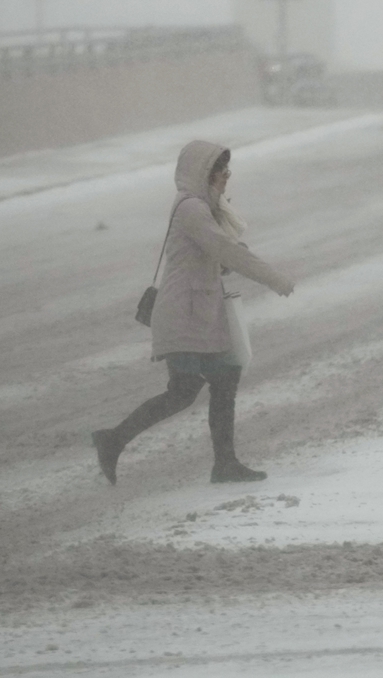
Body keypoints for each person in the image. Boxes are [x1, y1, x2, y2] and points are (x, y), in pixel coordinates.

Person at [93, 140, 295, 485]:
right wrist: (273, 278)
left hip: (198, 311)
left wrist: (224, 260)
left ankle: (225, 463)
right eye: (221, 172)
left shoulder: (205, 208)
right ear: (204, 173)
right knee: (183, 391)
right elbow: (223, 249)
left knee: (225, 378)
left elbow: (214, 255)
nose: (226, 178)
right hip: (183, 314)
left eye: (227, 171)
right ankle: (113, 439)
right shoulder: (192, 210)